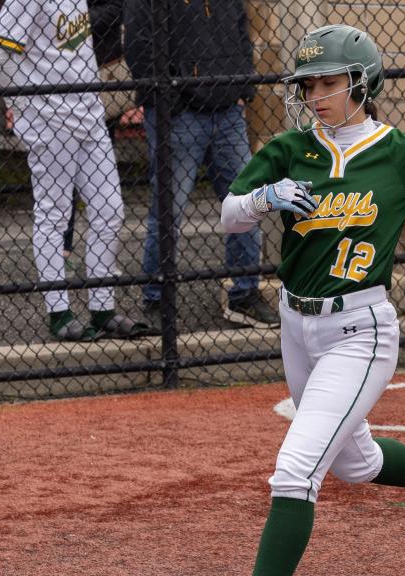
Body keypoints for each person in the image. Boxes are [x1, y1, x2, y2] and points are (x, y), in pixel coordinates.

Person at [183, 24, 405, 576]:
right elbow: (229, 212)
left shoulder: (399, 150)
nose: (316, 96)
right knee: (355, 460)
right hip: (297, 324)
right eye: (308, 86)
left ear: (363, 84)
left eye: (329, 83)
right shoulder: (291, 148)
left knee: (297, 468)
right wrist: (265, 197)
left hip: (362, 329)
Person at [0, 0, 150, 341]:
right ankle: (58, 313)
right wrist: (26, 105)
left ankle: (102, 307)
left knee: (110, 211)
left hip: (88, 115)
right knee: (54, 216)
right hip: (50, 122)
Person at [123, 0, 277, 329]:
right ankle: (157, 298)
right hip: (179, 117)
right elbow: (138, 45)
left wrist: (242, 89)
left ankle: (244, 294)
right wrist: (173, 99)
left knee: (247, 201)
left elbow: (240, 30)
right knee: (168, 210)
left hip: (227, 112)